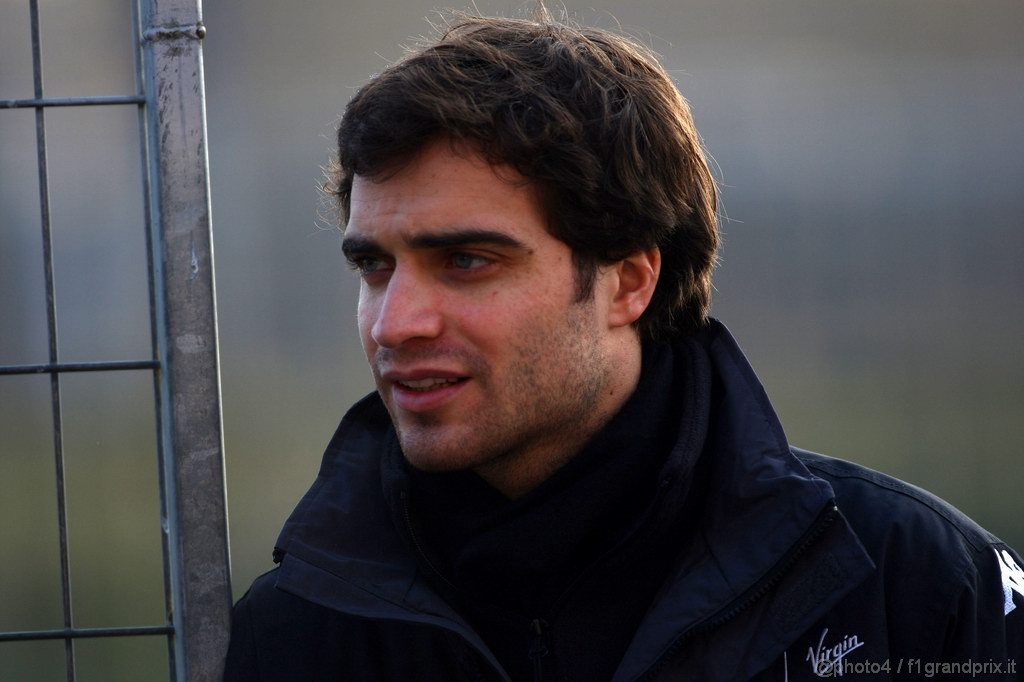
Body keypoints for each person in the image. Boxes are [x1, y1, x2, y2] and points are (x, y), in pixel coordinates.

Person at [223, 12, 1024, 681]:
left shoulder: (913, 588)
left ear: (631, 281)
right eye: (375, 267)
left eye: (466, 261)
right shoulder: (300, 630)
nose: (396, 323)